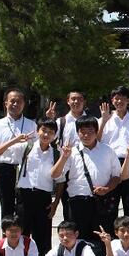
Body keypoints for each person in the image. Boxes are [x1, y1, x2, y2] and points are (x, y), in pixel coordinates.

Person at [0, 118, 64, 256]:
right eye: (44, 130)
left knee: (43, 237)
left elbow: (60, 181)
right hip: (24, 196)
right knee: (22, 234)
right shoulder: (26, 147)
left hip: (44, 199)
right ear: (38, 131)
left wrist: (56, 203)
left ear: (55, 135)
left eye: (51, 132)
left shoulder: (56, 154)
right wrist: (16, 140)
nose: (46, 134)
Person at [52, 116, 121, 250]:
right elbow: (55, 175)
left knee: (101, 239)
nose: (86, 135)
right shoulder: (71, 152)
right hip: (78, 203)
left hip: (102, 202)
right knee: (78, 240)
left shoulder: (107, 150)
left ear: (96, 132)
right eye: (82, 132)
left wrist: (107, 189)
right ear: (77, 133)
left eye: (90, 132)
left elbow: (117, 176)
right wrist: (64, 157)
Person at [0, 88, 33, 218]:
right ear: (6, 103)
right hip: (5, 168)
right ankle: (6, 231)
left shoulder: (32, 125)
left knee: (24, 207)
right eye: (12, 101)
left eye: (19, 101)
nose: (15, 104)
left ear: (24, 104)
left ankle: (23, 231)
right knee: (6, 206)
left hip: (25, 169)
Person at [97, 86, 129, 218]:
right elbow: (96, 140)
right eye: (116, 99)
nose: (119, 101)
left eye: (123, 98)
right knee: (110, 204)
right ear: (112, 100)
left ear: (128, 100)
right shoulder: (103, 120)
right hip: (109, 164)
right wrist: (104, 121)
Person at [54, 90, 88, 222]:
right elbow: (49, 138)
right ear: (68, 101)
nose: (76, 102)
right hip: (66, 168)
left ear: (84, 102)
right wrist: (49, 119)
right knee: (68, 205)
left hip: (87, 167)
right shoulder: (60, 122)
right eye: (73, 99)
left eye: (79, 99)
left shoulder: (92, 121)